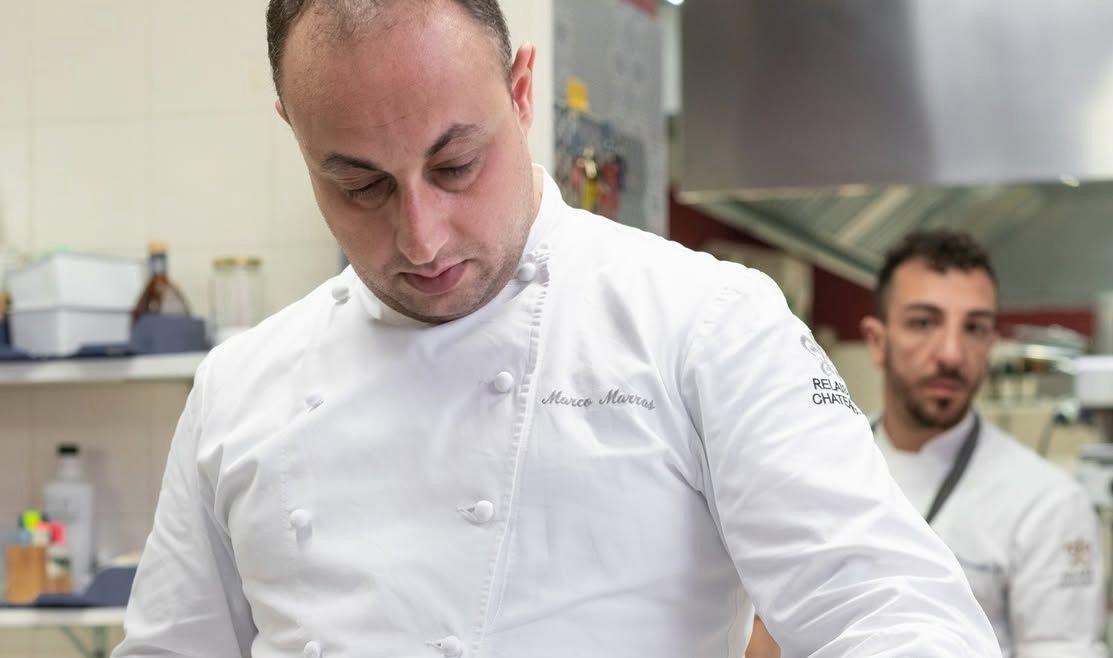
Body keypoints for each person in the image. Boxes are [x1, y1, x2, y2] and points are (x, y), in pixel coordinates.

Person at [112, 2, 1000, 656]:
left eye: (455, 164)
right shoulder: (238, 389)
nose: (421, 237)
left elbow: (891, 611)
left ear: (522, 90)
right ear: (294, 133)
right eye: (360, 185)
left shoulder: (703, 323)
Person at [750, 230, 1107, 657]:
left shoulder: (1046, 504)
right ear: (877, 343)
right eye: (923, 322)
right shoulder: (815, 469)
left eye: (974, 328)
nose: (952, 354)